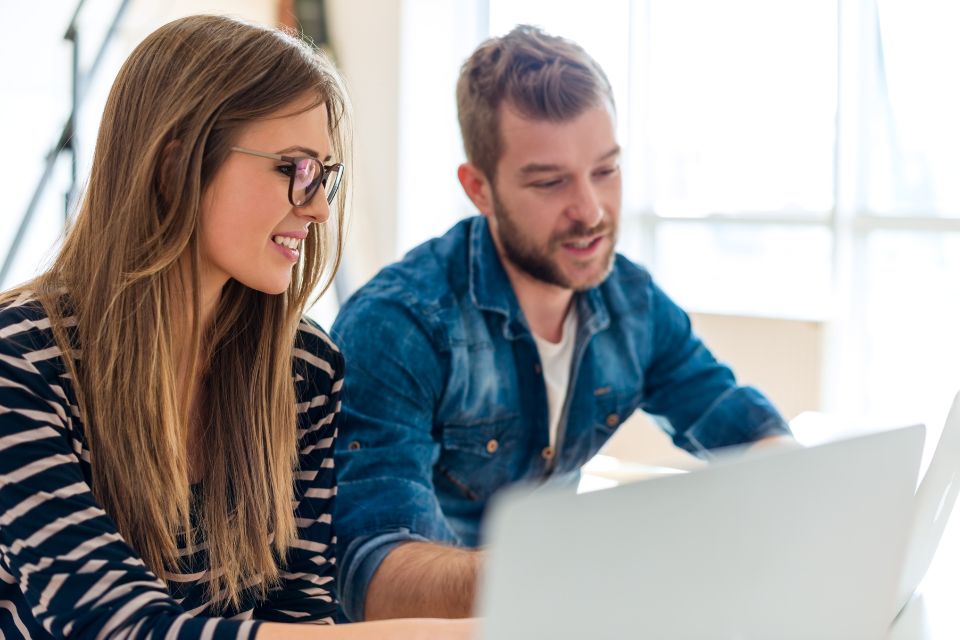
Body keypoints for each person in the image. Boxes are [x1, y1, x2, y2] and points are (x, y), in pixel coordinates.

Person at [0, 14, 472, 640]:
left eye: (324, 174)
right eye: (293, 169)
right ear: (176, 168)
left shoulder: (305, 369)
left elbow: (301, 611)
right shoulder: (21, 362)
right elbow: (114, 625)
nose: (319, 208)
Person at [331, 24, 796, 622]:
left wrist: (792, 484)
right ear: (480, 189)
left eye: (605, 171)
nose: (591, 211)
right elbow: (375, 578)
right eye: (550, 182)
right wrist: (584, 565)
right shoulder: (397, 327)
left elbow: (732, 418)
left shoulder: (629, 302)